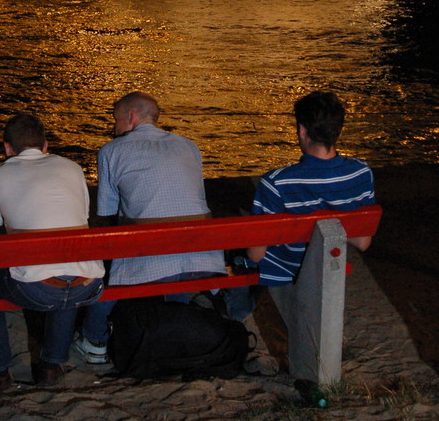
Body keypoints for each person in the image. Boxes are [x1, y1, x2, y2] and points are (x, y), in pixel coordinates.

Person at [73, 91, 225, 364]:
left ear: (130, 117)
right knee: (170, 248)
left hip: (154, 255)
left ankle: (94, 339)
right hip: (204, 252)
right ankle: (176, 323)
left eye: (116, 120)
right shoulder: (188, 145)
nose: (115, 127)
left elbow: (107, 212)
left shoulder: (111, 150)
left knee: (109, 275)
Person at [0, 112, 105, 390]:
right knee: (66, 264)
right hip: (89, 284)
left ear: (7, 148)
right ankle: (51, 365)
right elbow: (81, 219)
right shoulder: (72, 168)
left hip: (37, 290)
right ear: (45, 145)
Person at [225, 89, 375, 320]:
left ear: (302, 130)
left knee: (237, 254)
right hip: (327, 261)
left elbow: (256, 255)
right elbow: (362, 241)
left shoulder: (277, 182)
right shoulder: (361, 173)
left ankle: (236, 314)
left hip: (285, 267)